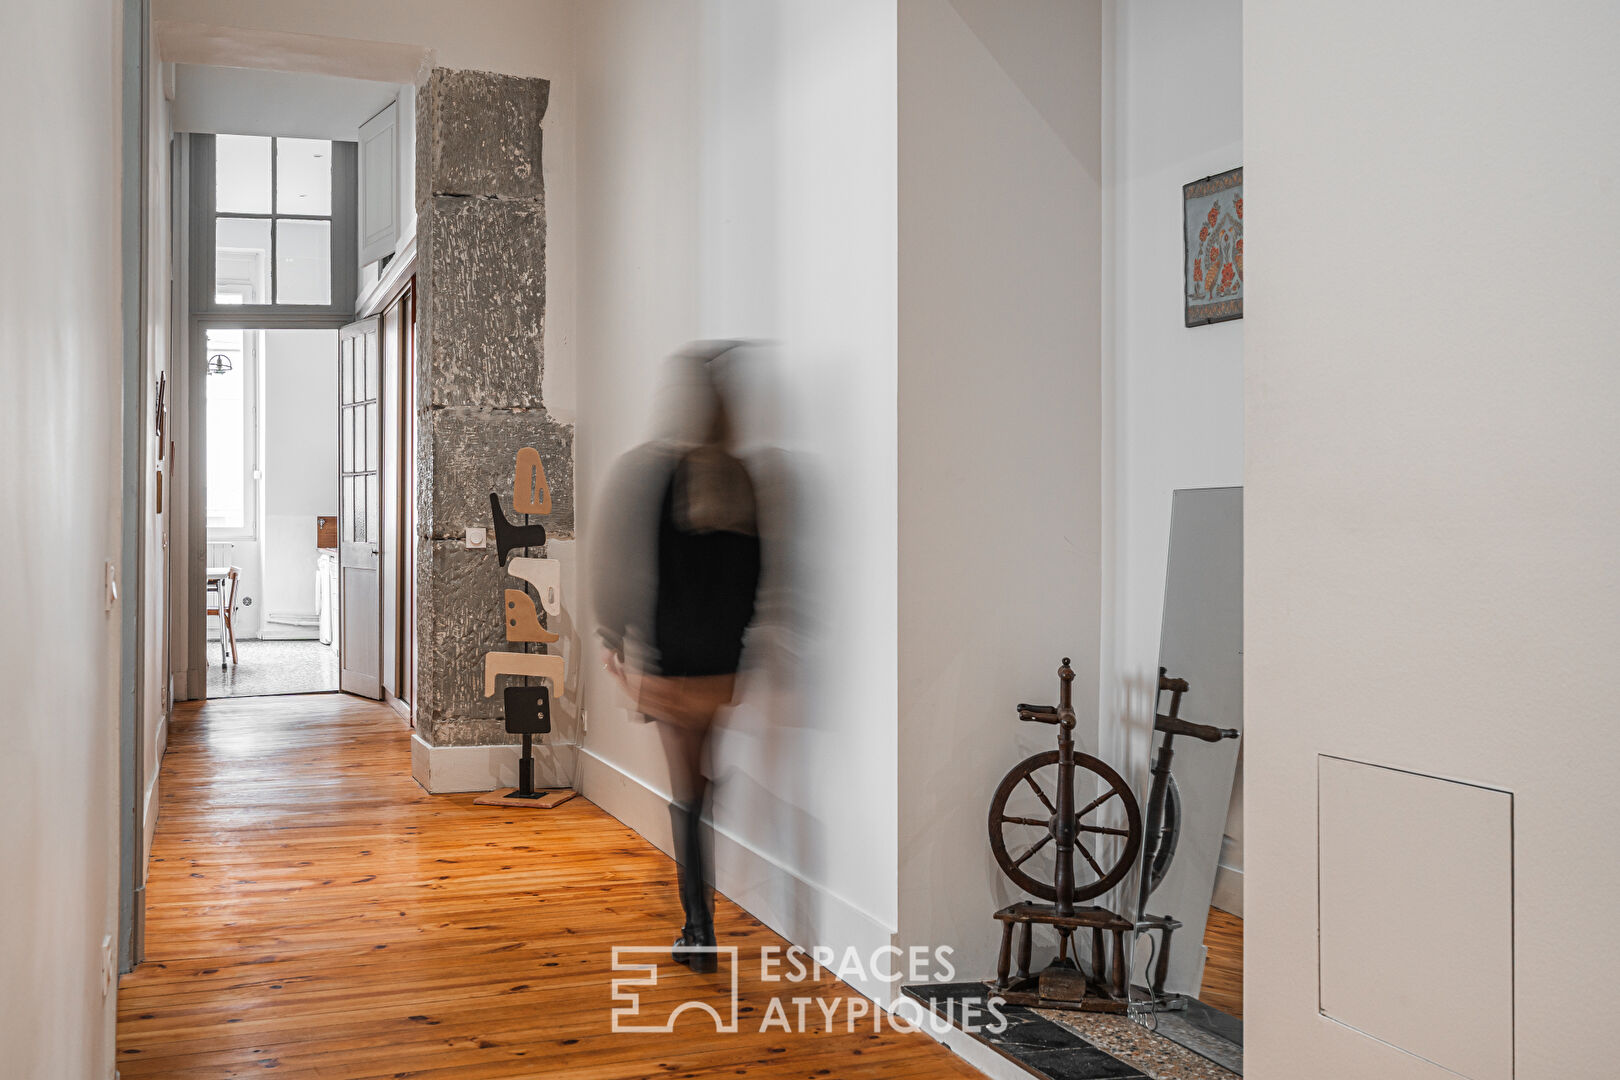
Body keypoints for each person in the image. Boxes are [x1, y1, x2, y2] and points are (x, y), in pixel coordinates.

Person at [593, 344, 762, 972]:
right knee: (698, 779)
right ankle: (698, 922)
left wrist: (616, 636)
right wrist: (740, 643)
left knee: (685, 788)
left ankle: (699, 931)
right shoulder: (740, 478)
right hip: (721, 664)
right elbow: (755, 575)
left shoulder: (655, 472)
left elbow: (628, 560)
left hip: (671, 661)